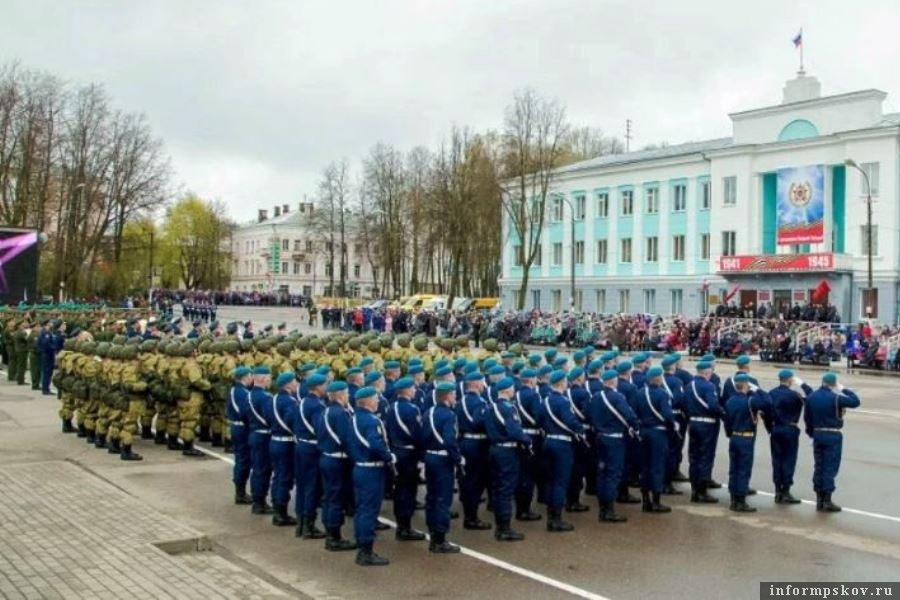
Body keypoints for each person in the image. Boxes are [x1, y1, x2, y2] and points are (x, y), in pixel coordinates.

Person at [347, 386, 395, 566]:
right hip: (371, 470)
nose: (377, 401)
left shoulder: (354, 418)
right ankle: (365, 551)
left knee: (362, 509)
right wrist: (389, 456)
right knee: (368, 510)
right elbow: (375, 443)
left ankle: (362, 545)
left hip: (360, 467)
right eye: (375, 399)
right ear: (366, 401)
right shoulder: (370, 420)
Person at [484, 376, 532, 541]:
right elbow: (514, 431)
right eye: (512, 388)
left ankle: (501, 525)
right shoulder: (508, 408)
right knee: (505, 489)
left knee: (498, 489)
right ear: (507, 390)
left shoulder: (490, 407)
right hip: (507, 452)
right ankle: (504, 528)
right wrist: (527, 440)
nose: (514, 390)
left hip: (494, 449)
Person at [804, 372, 860, 512]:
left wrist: (812, 434)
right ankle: (827, 500)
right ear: (833, 384)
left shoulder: (811, 397)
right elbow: (855, 401)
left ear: (822, 381)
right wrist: (842, 388)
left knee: (819, 466)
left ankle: (819, 499)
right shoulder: (836, 397)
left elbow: (807, 419)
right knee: (830, 467)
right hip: (832, 435)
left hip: (817, 434)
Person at [589, 369, 639, 523]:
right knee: (613, 474)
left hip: (600, 437)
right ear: (613, 381)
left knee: (602, 472)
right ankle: (609, 510)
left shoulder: (596, 397)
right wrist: (635, 427)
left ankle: (603, 507)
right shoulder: (617, 397)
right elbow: (629, 415)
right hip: (614, 439)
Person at [540, 369, 585, 532]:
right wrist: (580, 429)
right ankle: (556, 519)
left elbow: (541, 420)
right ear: (560, 383)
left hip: (548, 440)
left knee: (550, 481)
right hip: (562, 444)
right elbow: (570, 421)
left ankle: (550, 516)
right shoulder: (563, 402)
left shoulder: (545, 400)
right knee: (560, 481)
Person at [422, 381, 464, 553]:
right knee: (442, 499)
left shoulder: (428, 412)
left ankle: (433, 532)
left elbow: (422, 436)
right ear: (447, 396)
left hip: (430, 456)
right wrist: (457, 458)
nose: (455, 397)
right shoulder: (448, 415)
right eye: (453, 394)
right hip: (442, 460)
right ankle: (439, 539)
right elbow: (449, 440)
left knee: (432, 497)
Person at [722, 373, 773, 513]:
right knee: (744, 470)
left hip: (734, 437)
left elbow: (727, 423)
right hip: (746, 438)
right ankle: (740, 501)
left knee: (734, 469)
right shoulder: (750, 401)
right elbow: (768, 403)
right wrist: (758, 389)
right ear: (746, 385)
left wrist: (730, 434)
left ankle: (733, 499)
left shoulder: (730, 401)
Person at [316, 380, 357, 550]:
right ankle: (334, 538)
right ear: (340, 395)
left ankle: (331, 532)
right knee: (335, 498)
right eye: (346, 393)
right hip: (338, 460)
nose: (348, 396)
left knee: (329, 497)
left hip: (327, 457)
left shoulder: (325, 411)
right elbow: (346, 439)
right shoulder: (340, 414)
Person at [385, 377, 427, 541]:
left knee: (400, 489)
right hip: (409, 454)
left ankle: (402, 525)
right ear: (407, 390)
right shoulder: (412, 409)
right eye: (413, 388)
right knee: (408, 490)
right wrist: (422, 455)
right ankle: (405, 528)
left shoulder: (391, 407)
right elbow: (417, 434)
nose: (415, 390)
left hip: (396, 451)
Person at [768, 369, 812, 504]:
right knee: (788, 460)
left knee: (776, 460)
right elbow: (812, 396)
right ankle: (785, 491)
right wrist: (803, 384)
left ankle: (777, 491)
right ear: (790, 380)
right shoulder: (794, 395)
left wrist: (770, 428)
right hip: (790, 429)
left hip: (775, 429)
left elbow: (765, 412)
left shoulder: (771, 393)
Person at [455, 371, 492, 530]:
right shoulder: (479, 402)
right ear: (476, 384)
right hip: (477, 444)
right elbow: (479, 422)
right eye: (482, 382)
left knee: (467, 480)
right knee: (476, 481)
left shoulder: (460, 401)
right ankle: (472, 518)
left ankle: (470, 514)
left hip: (464, 441)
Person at [636, 367, 675, 513]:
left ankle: (645, 500)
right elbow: (668, 416)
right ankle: (656, 502)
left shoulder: (640, 392)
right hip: (658, 433)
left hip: (644, 432)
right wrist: (672, 429)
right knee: (657, 467)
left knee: (645, 467)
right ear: (659, 378)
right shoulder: (662, 394)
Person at [295, 373, 328, 538]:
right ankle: (309, 525)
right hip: (312, 449)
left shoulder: (303, 402)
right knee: (311, 487)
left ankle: (301, 522)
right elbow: (320, 429)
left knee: (302, 486)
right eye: (325, 385)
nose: (327, 388)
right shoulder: (317, 406)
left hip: (301, 445)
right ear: (318, 387)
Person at [267, 372, 300, 527]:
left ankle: (277, 508)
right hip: (286, 443)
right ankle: (281, 513)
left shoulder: (273, 399)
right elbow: (291, 420)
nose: (296, 384)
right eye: (294, 382)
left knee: (278, 476)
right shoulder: (289, 402)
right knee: (285, 478)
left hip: (274, 440)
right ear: (287, 385)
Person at [686, 361, 722, 503]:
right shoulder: (708, 386)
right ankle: (701, 491)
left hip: (693, 422)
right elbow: (713, 406)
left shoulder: (689, 386)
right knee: (704, 457)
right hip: (706, 424)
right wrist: (723, 413)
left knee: (694, 457)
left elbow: (684, 403)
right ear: (707, 373)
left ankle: (694, 490)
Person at [513, 368, 544, 521]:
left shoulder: (516, 394)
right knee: (528, 475)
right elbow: (538, 416)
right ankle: (524, 510)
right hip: (532, 436)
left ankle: (521, 507)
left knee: (521, 473)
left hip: (520, 434)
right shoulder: (533, 395)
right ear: (532, 380)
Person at [248, 366, 274, 515]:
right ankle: (259, 502)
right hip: (264, 435)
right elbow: (270, 417)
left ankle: (257, 499)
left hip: (254, 432)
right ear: (263, 379)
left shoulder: (249, 395)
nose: (270, 381)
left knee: (257, 469)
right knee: (263, 469)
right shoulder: (265, 397)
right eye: (269, 378)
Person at [228, 366, 253, 505]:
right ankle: (240, 493)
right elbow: (244, 413)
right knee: (243, 460)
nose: (251, 378)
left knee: (241, 459)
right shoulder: (241, 393)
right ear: (244, 377)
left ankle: (241, 491)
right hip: (242, 428)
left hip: (237, 427)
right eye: (250, 376)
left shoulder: (237, 390)